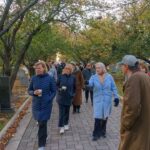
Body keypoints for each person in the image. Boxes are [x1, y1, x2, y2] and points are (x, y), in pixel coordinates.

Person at [118, 55, 150, 150]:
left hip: (136, 127)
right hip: (144, 122)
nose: (121, 68)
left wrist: (125, 124)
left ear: (126, 66)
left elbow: (133, 107)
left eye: (122, 65)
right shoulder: (144, 76)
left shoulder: (134, 79)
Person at [28, 61, 56, 150]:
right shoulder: (33, 78)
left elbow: (54, 91)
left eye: (39, 68)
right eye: (36, 68)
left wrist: (49, 98)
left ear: (44, 68)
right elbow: (29, 90)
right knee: (41, 123)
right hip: (36, 104)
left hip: (46, 105)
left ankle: (41, 144)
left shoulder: (50, 78)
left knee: (42, 123)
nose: (37, 70)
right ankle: (44, 136)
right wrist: (33, 92)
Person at [88, 62, 119, 141]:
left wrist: (116, 97)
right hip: (97, 99)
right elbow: (90, 84)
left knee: (105, 116)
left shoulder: (109, 77)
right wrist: (88, 84)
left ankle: (103, 131)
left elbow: (114, 87)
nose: (97, 69)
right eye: (96, 68)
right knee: (97, 117)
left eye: (99, 68)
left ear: (103, 68)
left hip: (107, 100)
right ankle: (96, 133)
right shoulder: (93, 77)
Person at [56, 64, 76, 134]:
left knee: (67, 112)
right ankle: (61, 126)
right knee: (61, 113)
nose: (67, 70)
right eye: (66, 69)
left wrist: (73, 94)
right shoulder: (60, 76)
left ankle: (66, 123)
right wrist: (59, 89)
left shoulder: (73, 77)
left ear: (71, 70)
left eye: (68, 69)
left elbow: (74, 87)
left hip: (69, 97)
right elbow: (56, 85)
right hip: (61, 97)